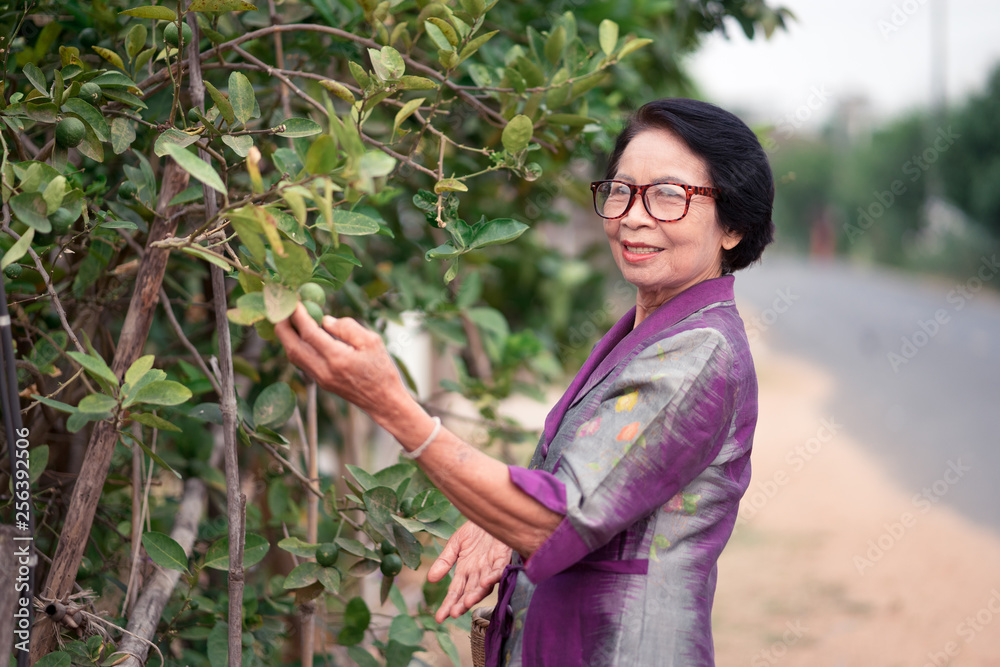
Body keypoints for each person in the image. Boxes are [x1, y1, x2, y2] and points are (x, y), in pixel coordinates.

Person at [275, 97, 774, 666]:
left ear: (732, 225)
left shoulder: (696, 354)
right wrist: (504, 522)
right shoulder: (650, 332)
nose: (635, 216)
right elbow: (590, 485)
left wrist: (390, 405)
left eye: (669, 195)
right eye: (621, 190)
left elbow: (555, 520)